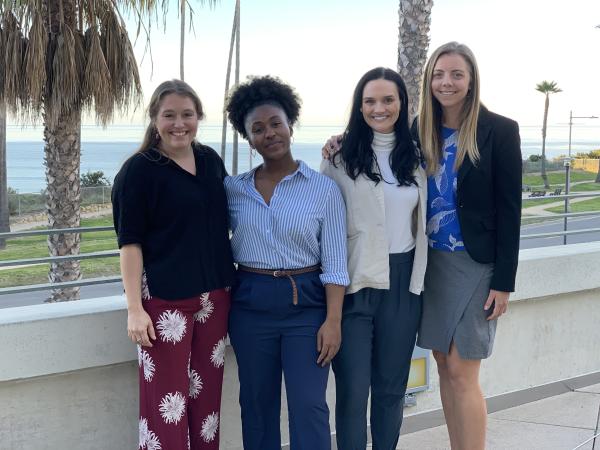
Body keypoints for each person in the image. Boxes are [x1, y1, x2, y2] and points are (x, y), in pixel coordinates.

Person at [224, 75, 349, 450]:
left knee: (309, 405)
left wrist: (333, 320)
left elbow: (336, 262)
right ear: (248, 139)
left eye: (276, 123)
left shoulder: (323, 189)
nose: (269, 134)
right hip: (250, 304)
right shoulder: (233, 190)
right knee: (257, 405)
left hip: (306, 306)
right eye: (257, 129)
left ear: (290, 125)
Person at [111, 79, 235, 450]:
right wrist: (135, 309)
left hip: (215, 297)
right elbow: (129, 245)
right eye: (169, 116)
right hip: (165, 304)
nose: (179, 124)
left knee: (207, 406)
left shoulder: (211, 161)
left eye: (187, 115)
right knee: (167, 407)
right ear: (154, 119)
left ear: (199, 117)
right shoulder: (137, 172)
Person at [414, 42, 522, 450]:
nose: (447, 82)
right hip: (432, 265)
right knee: (443, 364)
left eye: (457, 74)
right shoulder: (418, 130)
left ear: (471, 79)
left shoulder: (500, 130)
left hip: (478, 266)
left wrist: (504, 282)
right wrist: (339, 141)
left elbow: (511, 211)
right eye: (439, 74)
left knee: (463, 370)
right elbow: (375, 149)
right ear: (429, 80)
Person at [320, 67, 427, 450]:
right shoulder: (338, 159)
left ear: (401, 103)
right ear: (359, 105)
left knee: (391, 390)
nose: (379, 108)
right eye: (370, 101)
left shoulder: (416, 158)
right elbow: (326, 230)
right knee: (352, 392)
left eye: (388, 99)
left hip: (403, 286)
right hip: (354, 286)